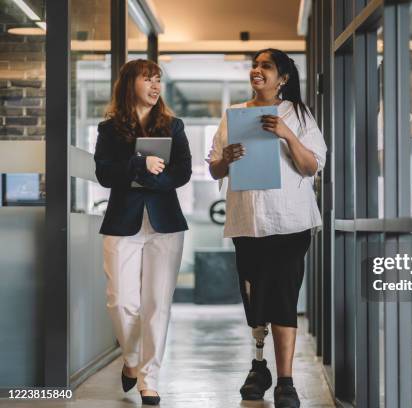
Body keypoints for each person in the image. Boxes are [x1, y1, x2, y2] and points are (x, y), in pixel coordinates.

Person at [208, 49, 327, 408]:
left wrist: (288, 135)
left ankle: (286, 380)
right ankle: (259, 367)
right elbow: (213, 168)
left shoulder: (299, 114)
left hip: (289, 222)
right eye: (255, 65)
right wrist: (224, 160)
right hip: (248, 221)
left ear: (283, 78)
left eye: (266, 66)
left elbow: (311, 167)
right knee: (255, 295)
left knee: (283, 295)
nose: (257, 71)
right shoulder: (235, 116)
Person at [94, 59, 192, 406]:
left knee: (157, 306)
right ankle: (132, 360)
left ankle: (149, 380)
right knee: (121, 301)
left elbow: (182, 171)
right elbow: (104, 174)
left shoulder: (173, 125)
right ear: (129, 84)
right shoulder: (109, 130)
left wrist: (152, 178)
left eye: (158, 80)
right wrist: (139, 164)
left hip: (165, 223)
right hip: (123, 222)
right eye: (147, 79)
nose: (155, 86)